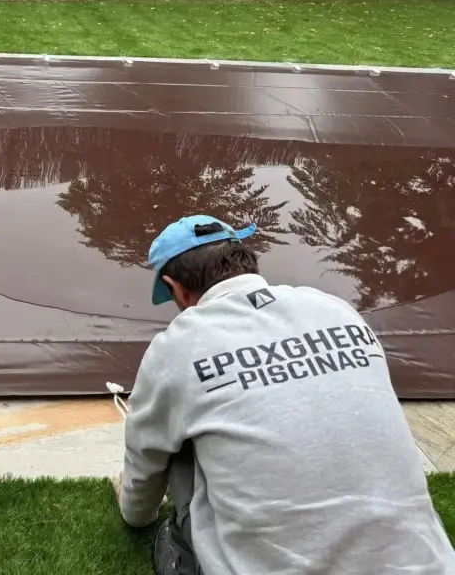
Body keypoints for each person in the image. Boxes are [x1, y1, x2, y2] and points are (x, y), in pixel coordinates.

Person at [114, 214, 455, 575]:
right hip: (428, 567)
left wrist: (135, 513)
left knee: (175, 437)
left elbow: (145, 457)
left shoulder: (178, 347)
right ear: (244, 260)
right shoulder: (335, 309)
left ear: (176, 288)